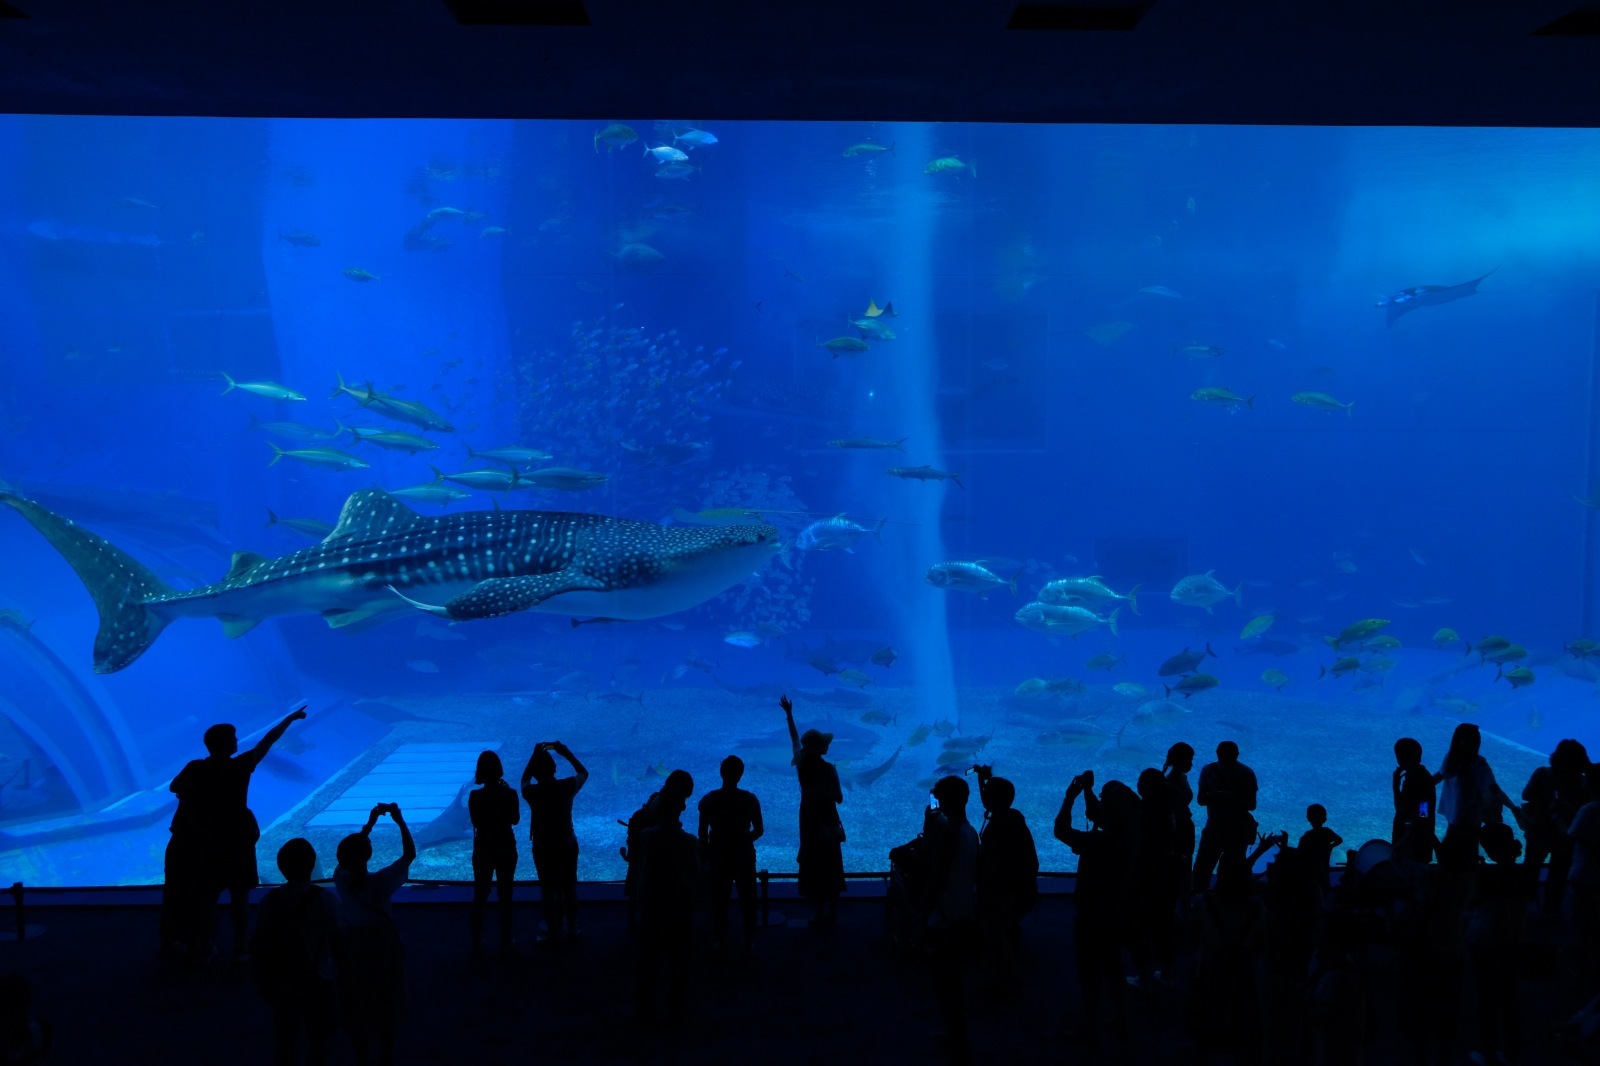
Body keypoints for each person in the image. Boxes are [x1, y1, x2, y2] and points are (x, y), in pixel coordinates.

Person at [166, 705, 308, 963]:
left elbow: (175, 787)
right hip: (236, 840)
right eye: (233, 739)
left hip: (206, 841)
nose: (237, 741)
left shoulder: (196, 767)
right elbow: (268, 741)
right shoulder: (240, 766)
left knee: (207, 897)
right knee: (239, 897)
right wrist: (289, 719)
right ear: (225, 744)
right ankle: (240, 948)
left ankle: (206, 945)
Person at [1054, 770, 1135, 1049]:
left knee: (1089, 971)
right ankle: (1122, 1022)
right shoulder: (1131, 834)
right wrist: (1090, 790)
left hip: (1092, 913)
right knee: (1114, 967)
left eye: (1103, 800)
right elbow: (1102, 816)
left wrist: (1069, 798)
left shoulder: (1100, 842)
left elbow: (1061, 831)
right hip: (1118, 910)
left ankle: (1090, 1027)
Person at [334, 803, 415, 1066]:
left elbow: (351, 855)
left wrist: (369, 825)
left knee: (356, 994)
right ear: (368, 855)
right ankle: (387, 1052)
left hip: (352, 943)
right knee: (386, 993)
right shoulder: (380, 882)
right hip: (381, 944)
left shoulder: (340, 877)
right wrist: (400, 822)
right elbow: (409, 855)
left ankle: (360, 1052)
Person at [251, 838, 340, 1066]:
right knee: (320, 1038)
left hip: (282, 979)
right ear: (311, 866)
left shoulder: (268, 901)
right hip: (319, 978)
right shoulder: (326, 899)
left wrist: (262, 980)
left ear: (281, 867)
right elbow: (340, 939)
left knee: (285, 1037)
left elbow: (259, 943)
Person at [924, 775, 981, 1059]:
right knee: (955, 979)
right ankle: (957, 1034)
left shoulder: (950, 833)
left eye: (938, 796)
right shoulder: (971, 831)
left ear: (943, 800)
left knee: (945, 981)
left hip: (946, 916)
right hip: (964, 911)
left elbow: (938, 874)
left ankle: (956, 1040)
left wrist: (925, 909)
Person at [633, 785, 701, 1024]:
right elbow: (694, 874)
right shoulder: (690, 842)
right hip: (679, 906)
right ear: (681, 810)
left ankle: (645, 1009)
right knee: (679, 960)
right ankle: (676, 1009)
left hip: (653, 905)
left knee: (649, 958)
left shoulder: (646, 836)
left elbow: (643, 866)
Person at [1467, 822, 1530, 1066]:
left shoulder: (1487, 876)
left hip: (1485, 941)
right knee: (1510, 999)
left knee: (1487, 1000)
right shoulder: (1523, 873)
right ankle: (1513, 1054)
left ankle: (1490, 1054)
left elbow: (1473, 904)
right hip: (1515, 940)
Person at [781, 694, 845, 930]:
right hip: (827, 820)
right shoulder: (829, 769)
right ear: (821, 748)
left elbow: (795, 739)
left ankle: (818, 913)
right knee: (832, 865)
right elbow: (838, 797)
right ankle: (833, 914)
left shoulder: (801, 763)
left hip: (808, 819)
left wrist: (789, 715)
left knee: (814, 863)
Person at [973, 768, 1038, 997]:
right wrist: (983, 780)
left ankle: (1005, 982)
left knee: (996, 938)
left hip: (1004, 893)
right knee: (1003, 932)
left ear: (993, 800)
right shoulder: (1011, 816)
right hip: (1019, 890)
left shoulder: (1001, 828)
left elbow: (995, 866)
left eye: (987, 796)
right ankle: (1008, 974)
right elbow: (990, 801)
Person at [520, 740, 588, 944]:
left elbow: (524, 780)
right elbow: (584, 773)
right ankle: (572, 928)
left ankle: (553, 930)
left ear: (536, 773)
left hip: (542, 847)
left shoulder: (532, 792)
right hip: (567, 844)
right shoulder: (566, 786)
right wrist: (566, 752)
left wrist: (533, 757)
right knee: (569, 888)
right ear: (555, 768)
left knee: (548, 890)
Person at [696, 754, 764, 956]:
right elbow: (759, 830)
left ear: (721, 773)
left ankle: (719, 939)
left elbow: (702, 832)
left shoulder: (709, 800)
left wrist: (707, 851)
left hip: (718, 853)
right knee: (748, 898)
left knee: (719, 899)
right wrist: (743, 839)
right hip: (743, 853)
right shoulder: (749, 800)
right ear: (741, 774)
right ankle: (749, 940)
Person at [1436, 723, 1517, 869]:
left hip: (1471, 818)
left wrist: (1514, 808)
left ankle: (1467, 884)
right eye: (1466, 739)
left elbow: (1494, 789)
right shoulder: (1451, 759)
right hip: (1453, 817)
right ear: (1457, 740)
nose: (1469, 743)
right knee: (1452, 853)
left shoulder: (1480, 764)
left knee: (1466, 852)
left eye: (1473, 740)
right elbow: (1440, 775)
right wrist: (1423, 784)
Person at [622, 769, 694, 931]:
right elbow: (666, 825)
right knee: (642, 883)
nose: (684, 805)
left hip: (641, 844)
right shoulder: (669, 805)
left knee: (636, 883)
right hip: (649, 846)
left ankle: (634, 921)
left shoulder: (656, 796)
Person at [1522, 738, 1589, 913]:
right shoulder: (1582, 782)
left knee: (1530, 871)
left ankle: (1521, 909)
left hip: (1539, 831)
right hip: (1566, 835)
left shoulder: (1543, 773)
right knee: (1558, 878)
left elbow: (1526, 795)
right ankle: (1551, 913)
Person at [1128, 766, 1178, 989]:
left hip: (1146, 873)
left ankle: (1144, 976)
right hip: (1167, 873)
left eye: (1140, 780)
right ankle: (1167, 973)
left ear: (1146, 787)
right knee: (1164, 923)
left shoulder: (1145, 810)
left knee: (1140, 925)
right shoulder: (1168, 807)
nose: (1137, 784)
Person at [468, 750, 520, 956]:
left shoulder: (475, 796)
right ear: (499, 770)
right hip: (506, 846)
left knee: (480, 895)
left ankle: (476, 941)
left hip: (483, 848)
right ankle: (506, 940)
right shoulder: (511, 793)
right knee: (506, 895)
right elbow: (515, 819)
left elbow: (476, 823)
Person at [1193, 740, 1258, 891]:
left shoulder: (1208, 770)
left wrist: (1224, 797)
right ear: (1237, 754)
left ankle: (1198, 901)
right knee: (1233, 871)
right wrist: (1224, 797)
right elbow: (1251, 805)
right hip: (1234, 831)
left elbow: (1201, 800)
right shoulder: (1247, 773)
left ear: (1217, 754)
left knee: (1202, 870)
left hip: (1218, 829)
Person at [1392, 737, 1438, 864]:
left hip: (1413, 843)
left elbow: (1423, 811)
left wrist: (1409, 834)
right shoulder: (1418, 777)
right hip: (1413, 839)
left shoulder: (1419, 779)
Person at [1164, 741, 1197, 892]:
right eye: (1189, 759)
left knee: (1186, 863)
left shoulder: (1182, 777)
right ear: (1180, 760)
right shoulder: (1170, 782)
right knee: (1179, 865)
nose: (1191, 763)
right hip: (1178, 829)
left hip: (1185, 826)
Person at [1299, 803, 1344, 892]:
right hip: (1324, 865)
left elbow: (1299, 852)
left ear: (1308, 818)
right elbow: (1339, 840)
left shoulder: (1308, 835)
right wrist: (1330, 846)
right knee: (1325, 883)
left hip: (1310, 868)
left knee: (1312, 886)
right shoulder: (1327, 832)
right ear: (1324, 819)